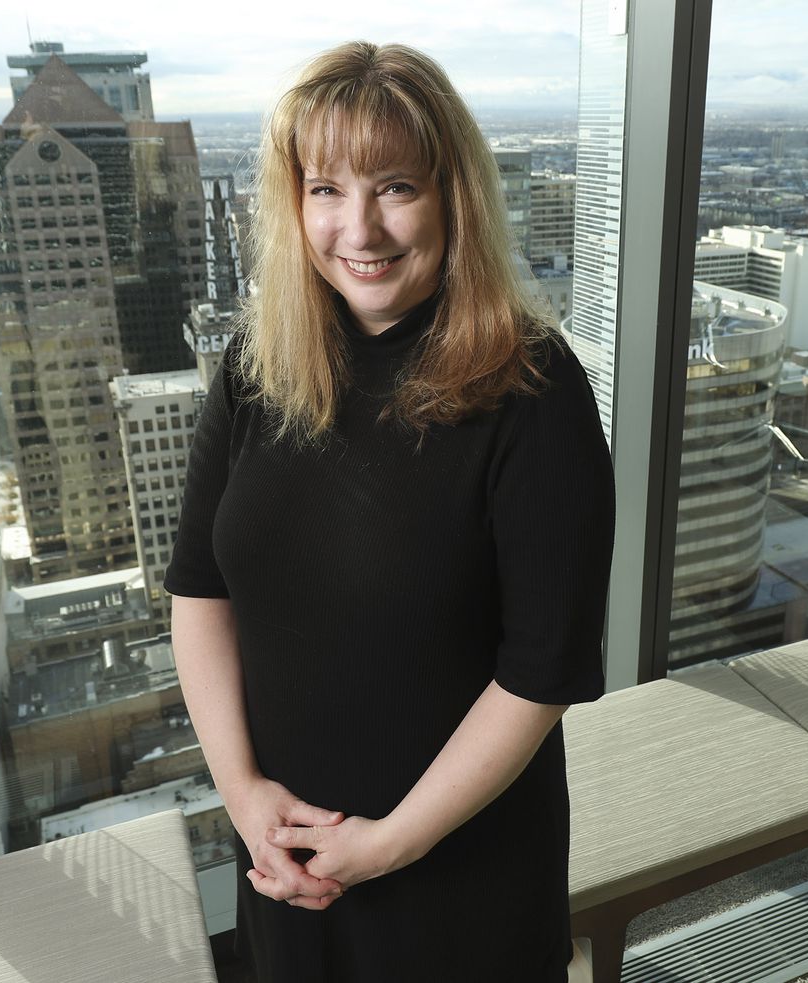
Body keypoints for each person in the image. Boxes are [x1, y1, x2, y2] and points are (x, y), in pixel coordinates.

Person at [164, 40, 614, 983]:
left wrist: (389, 844)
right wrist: (244, 795)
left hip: (457, 874)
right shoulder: (259, 364)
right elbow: (201, 590)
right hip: (282, 854)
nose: (358, 228)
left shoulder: (533, 388)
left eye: (396, 186)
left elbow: (542, 672)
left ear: (456, 196)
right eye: (325, 189)